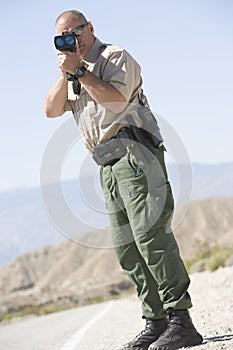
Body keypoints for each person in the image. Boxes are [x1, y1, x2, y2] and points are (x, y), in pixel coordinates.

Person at [44, 9, 203, 350]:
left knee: (150, 237)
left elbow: (116, 101)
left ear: (90, 28)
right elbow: (50, 109)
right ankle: (157, 321)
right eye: (64, 37)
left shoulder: (113, 56)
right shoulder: (73, 73)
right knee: (126, 248)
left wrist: (81, 71)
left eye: (77, 31)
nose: (73, 40)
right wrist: (65, 73)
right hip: (108, 165)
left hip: (136, 154)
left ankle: (181, 320)